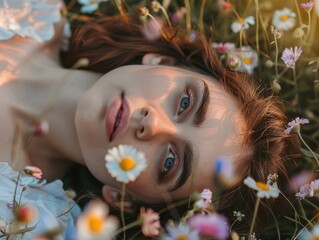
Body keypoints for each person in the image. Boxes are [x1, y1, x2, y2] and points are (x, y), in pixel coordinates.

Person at [0, 2, 298, 238]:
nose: (153, 125)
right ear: (160, 60)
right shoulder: (31, 10)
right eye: (184, 102)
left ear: (122, 199)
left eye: (169, 162)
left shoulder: (19, 218)